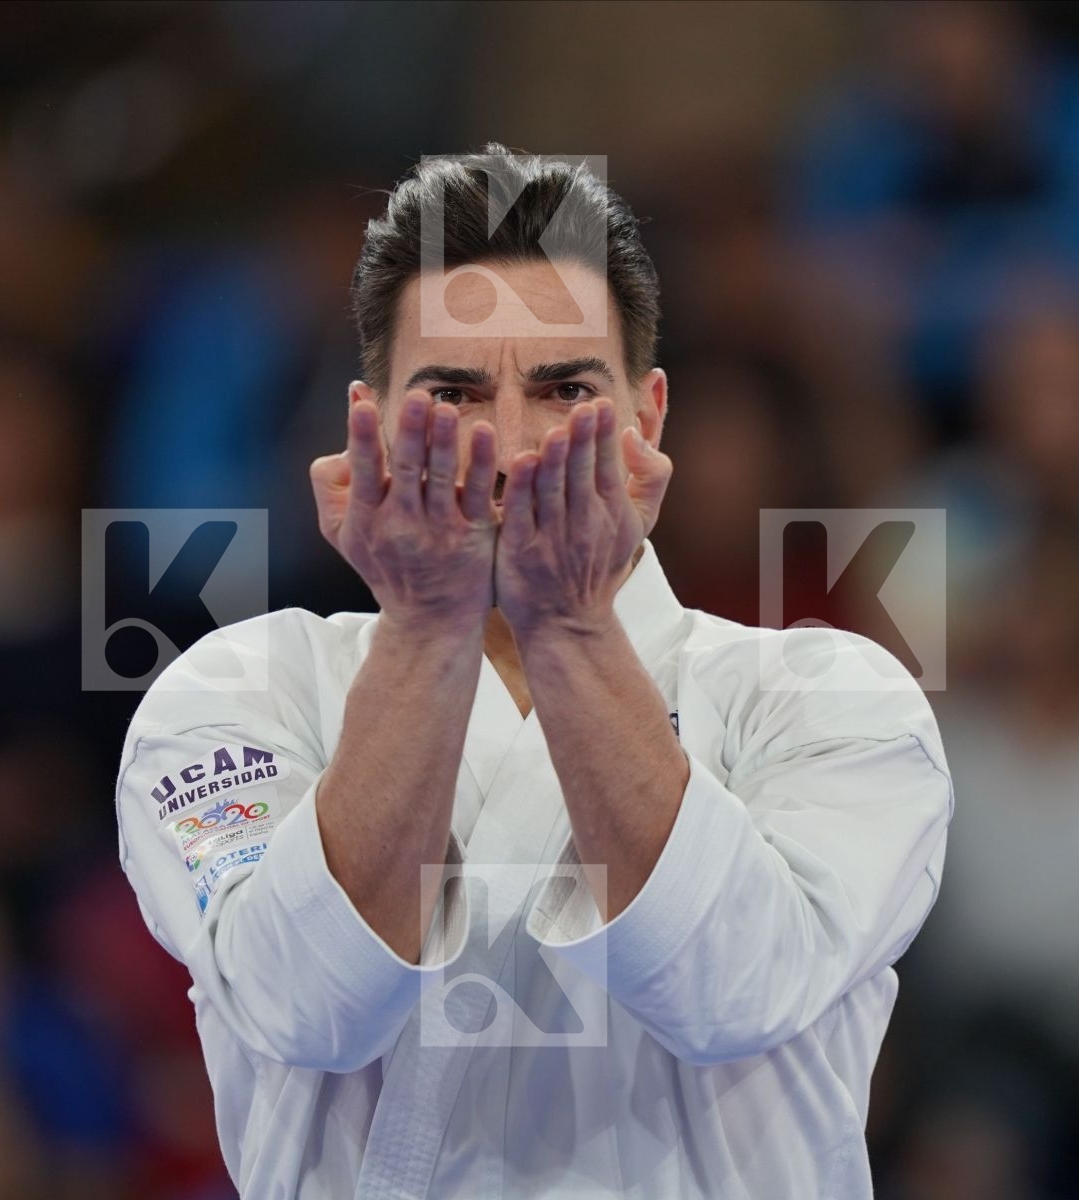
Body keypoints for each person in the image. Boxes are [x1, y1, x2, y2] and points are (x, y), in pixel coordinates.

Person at [114, 145, 953, 1198]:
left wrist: (570, 628)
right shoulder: (240, 692)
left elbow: (731, 989)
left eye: (563, 390)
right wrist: (426, 628)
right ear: (366, 426)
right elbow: (306, 1004)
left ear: (648, 419)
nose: (510, 448)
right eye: (455, 393)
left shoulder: (832, 699)